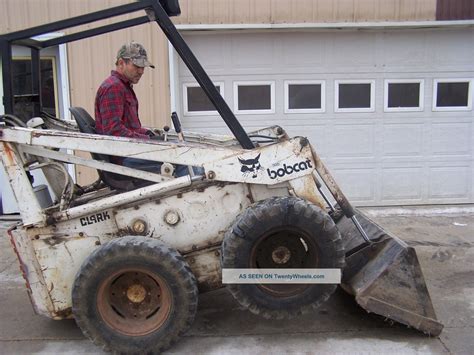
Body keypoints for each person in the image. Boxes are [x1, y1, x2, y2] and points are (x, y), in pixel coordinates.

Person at [95, 41, 190, 177]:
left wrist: (150, 135)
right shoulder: (113, 88)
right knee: (184, 158)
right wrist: (147, 139)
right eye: (137, 66)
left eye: (143, 67)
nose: (141, 71)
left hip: (132, 152)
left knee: (181, 147)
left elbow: (130, 128)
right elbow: (114, 132)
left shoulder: (123, 87)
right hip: (124, 160)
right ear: (121, 63)